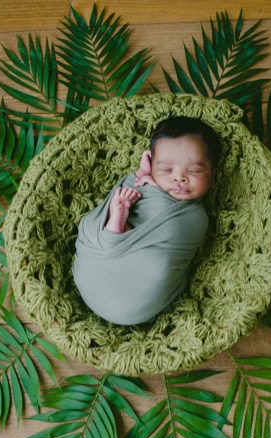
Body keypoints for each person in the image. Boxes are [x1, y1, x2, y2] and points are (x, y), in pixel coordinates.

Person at [73, 116, 221, 326]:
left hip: (134, 305)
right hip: (90, 275)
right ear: (151, 163)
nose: (179, 178)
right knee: (93, 221)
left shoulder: (196, 217)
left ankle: (117, 231)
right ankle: (116, 230)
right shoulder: (144, 182)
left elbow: (173, 233)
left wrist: (149, 184)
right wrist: (142, 175)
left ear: (213, 175)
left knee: (161, 257)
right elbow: (125, 187)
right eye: (166, 170)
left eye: (194, 171)